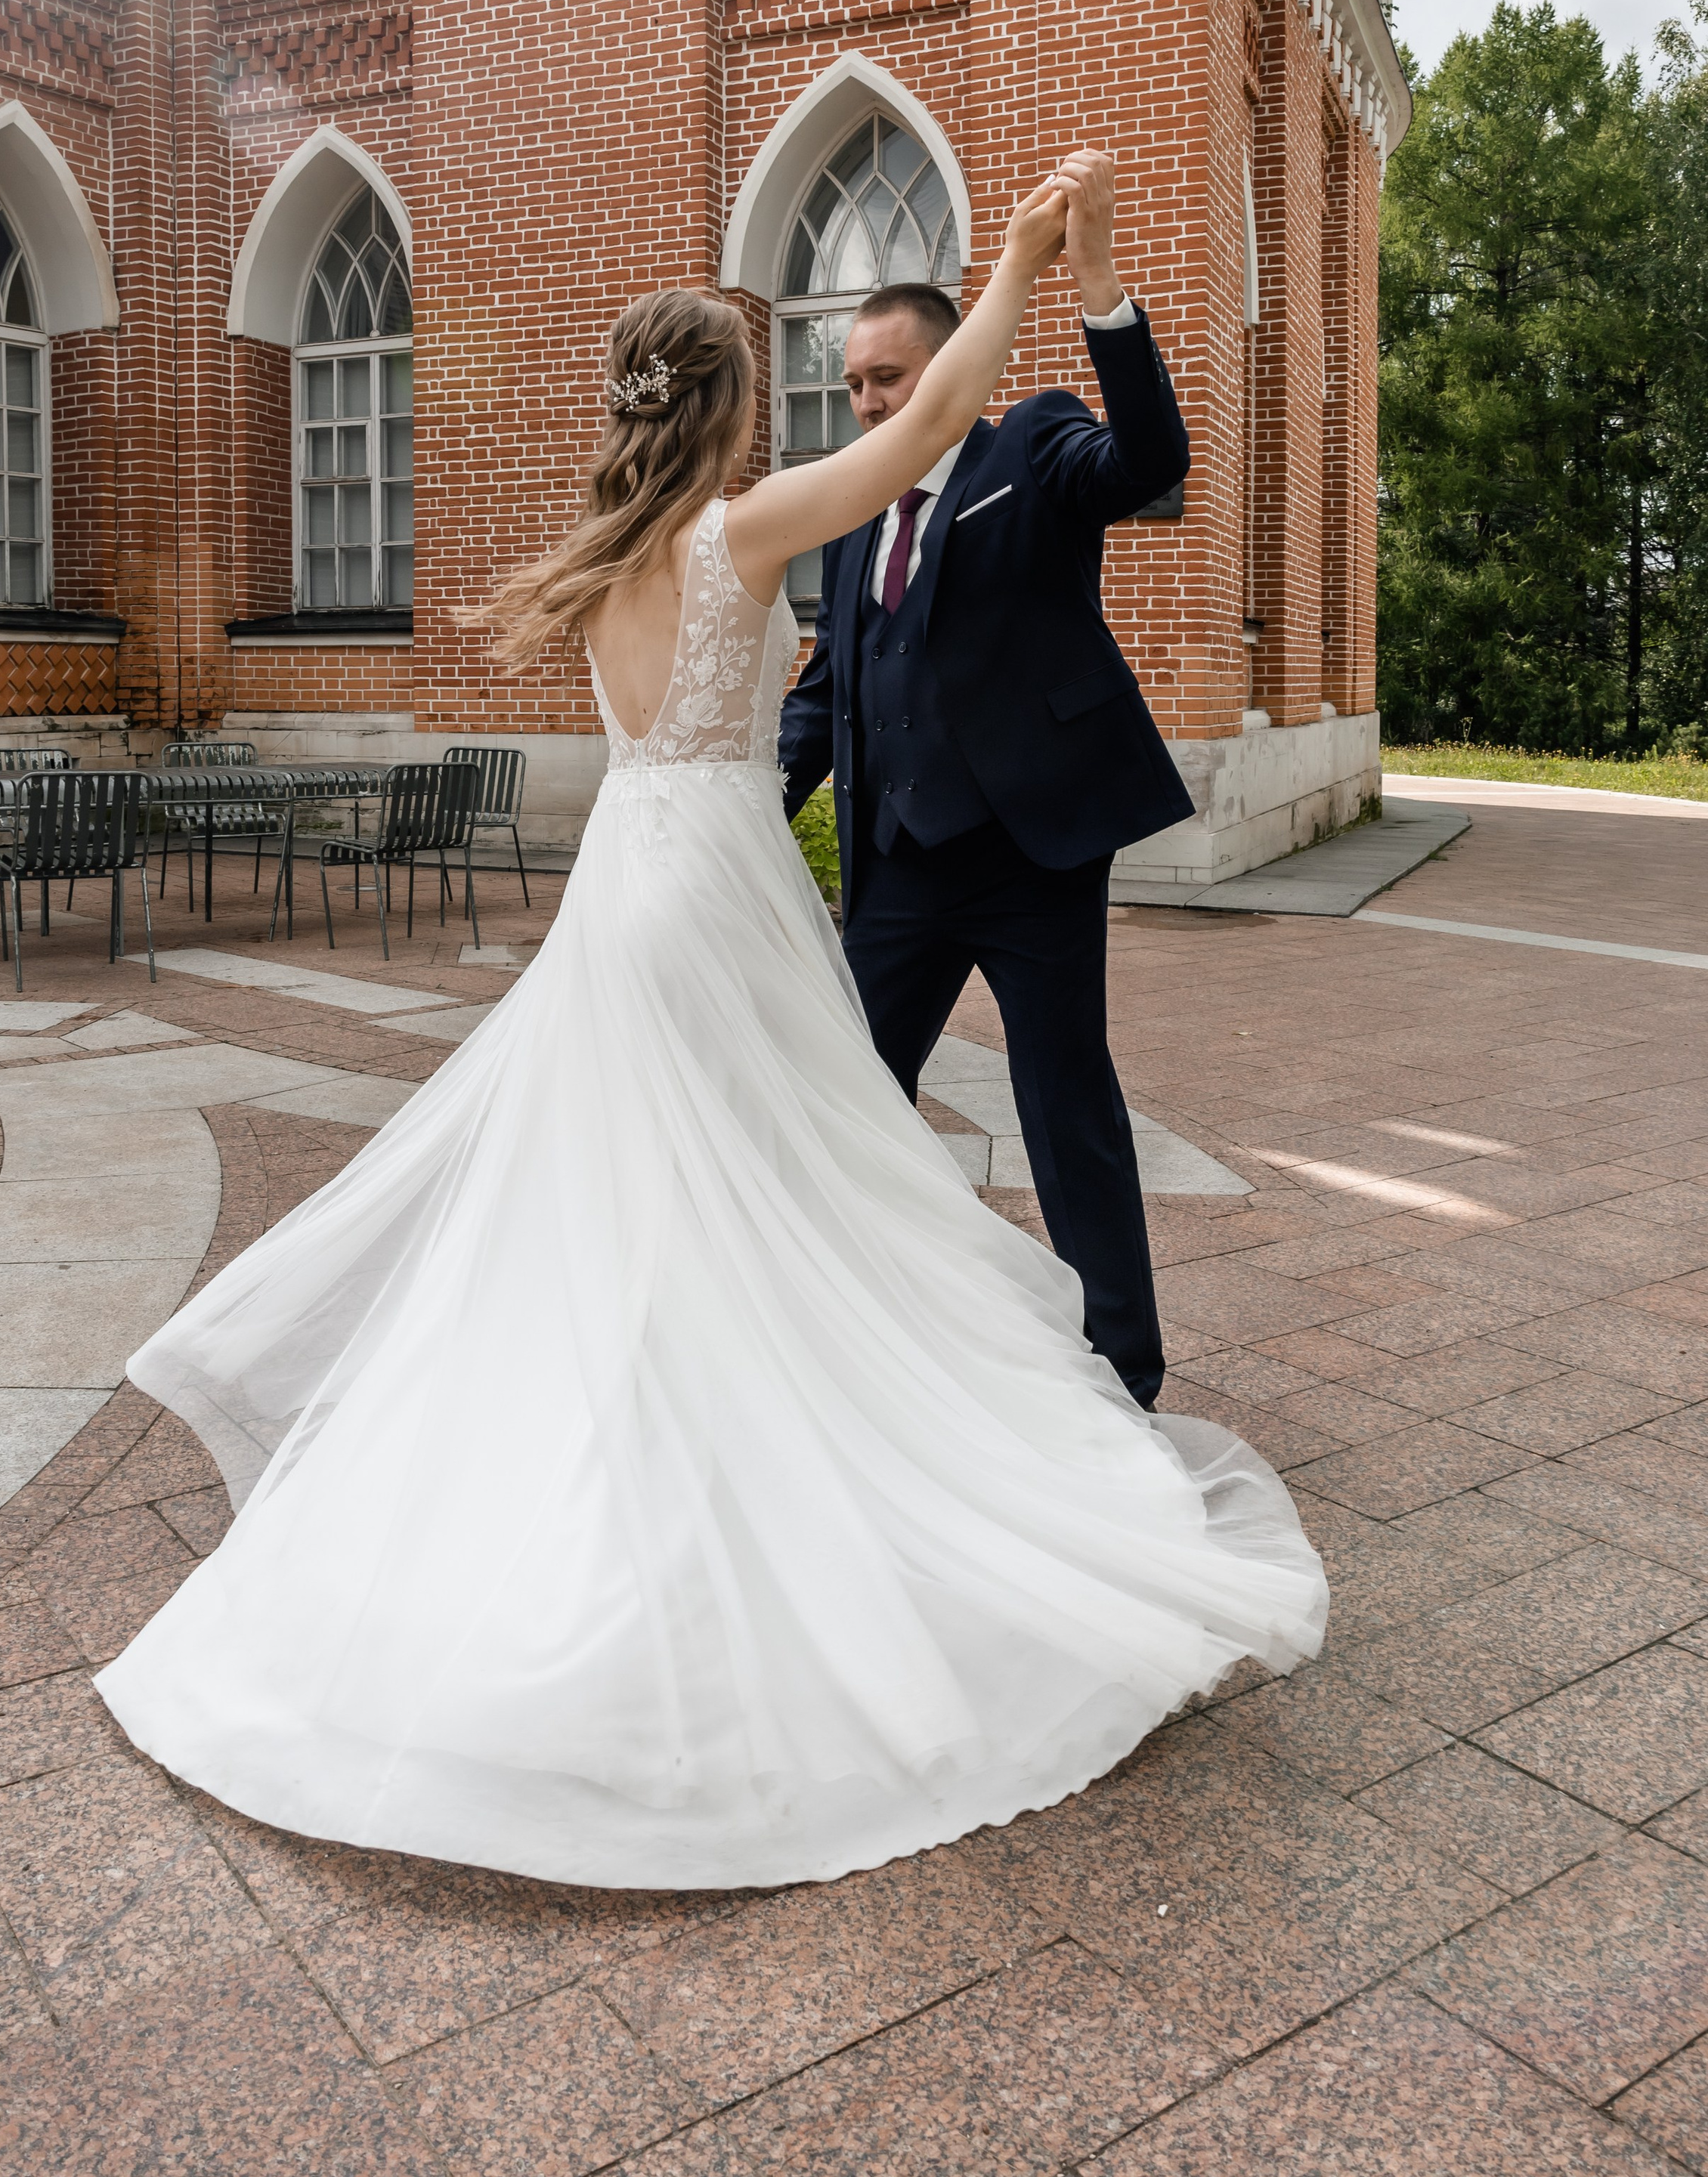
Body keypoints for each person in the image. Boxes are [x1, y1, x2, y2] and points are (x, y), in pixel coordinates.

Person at [96, 156, 1324, 1892]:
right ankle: (757, 1451)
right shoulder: (736, 533)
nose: (811, 406)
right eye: (772, 385)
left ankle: (651, 1421)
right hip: (721, 885)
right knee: (788, 1170)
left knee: (671, 1179)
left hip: (630, 886)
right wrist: (1035, 257)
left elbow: (956, 471)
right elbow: (924, 433)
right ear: (729, 404)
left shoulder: (609, 556)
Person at [779, 196, 1193, 1411]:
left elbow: (1150, 464)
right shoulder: (853, 513)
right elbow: (828, 691)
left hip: (1032, 857)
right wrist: (746, 804)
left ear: (947, 363)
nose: (868, 406)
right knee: (847, 1101)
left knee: (1066, 1106)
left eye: (890, 379)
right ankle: (843, 1333)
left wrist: (1103, 284)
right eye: (853, 386)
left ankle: (1125, 1372)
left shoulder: (1035, 446)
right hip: (897, 862)